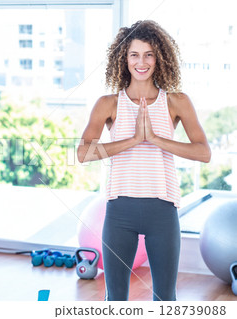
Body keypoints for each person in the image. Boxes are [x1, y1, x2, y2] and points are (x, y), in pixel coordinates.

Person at [77, 20, 211, 301]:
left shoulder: (176, 102)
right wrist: (134, 140)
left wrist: (156, 139)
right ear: (123, 59)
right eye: (134, 55)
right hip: (119, 212)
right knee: (115, 297)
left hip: (162, 210)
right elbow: (83, 153)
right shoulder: (108, 104)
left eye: (149, 54)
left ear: (159, 57)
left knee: (165, 298)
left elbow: (203, 152)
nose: (142, 62)